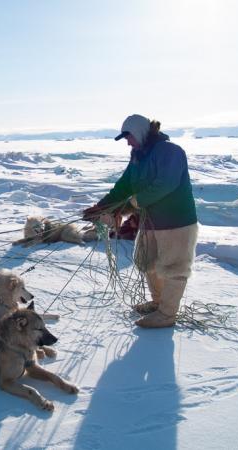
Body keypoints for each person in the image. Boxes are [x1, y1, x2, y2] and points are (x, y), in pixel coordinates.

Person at [83, 114, 198, 328]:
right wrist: (102, 206)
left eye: (129, 137)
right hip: (150, 221)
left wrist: (133, 203)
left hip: (176, 222)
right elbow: (124, 185)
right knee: (147, 261)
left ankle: (167, 314)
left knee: (174, 268)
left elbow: (167, 183)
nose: (127, 142)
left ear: (141, 132)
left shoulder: (170, 151)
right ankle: (157, 302)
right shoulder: (137, 156)